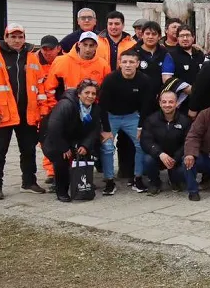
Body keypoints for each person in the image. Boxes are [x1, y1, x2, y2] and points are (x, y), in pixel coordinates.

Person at [0, 24, 47, 199]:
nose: (17, 40)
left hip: (27, 114)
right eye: (13, 36)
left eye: (20, 37)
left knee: (28, 150)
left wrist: (42, 110)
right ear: (5, 37)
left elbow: (40, 86)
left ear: (24, 38)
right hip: (1, 115)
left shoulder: (32, 57)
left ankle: (29, 182)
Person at [98, 50, 155, 195]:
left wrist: (141, 127)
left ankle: (138, 178)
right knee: (107, 146)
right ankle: (109, 180)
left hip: (132, 116)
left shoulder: (145, 80)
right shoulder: (110, 79)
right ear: (119, 63)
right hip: (111, 116)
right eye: (124, 62)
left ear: (137, 64)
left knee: (141, 143)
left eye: (131, 62)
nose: (128, 65)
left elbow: (146, 106)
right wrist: (105, 129)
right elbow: (102, 105)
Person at [42, 79, 102, 203]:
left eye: (93, 93)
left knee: (88, 152)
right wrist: (64, 147)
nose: (90, 96)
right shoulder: (66, 105)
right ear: (79, 94)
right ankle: (61, 191)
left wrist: (85, 146)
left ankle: (81, 183)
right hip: (54, 138)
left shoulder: (94, 108)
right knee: (61, 160)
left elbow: (94, 130)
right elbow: (54, 127)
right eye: (87, 93)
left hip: (75, 137)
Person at [140, 90, 191, 196]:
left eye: (171, 102)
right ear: (159, 103)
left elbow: (188, 142)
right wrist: (160, 154)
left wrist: (176, 157)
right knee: (147, 160)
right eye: (164, 102)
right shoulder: (151, 120)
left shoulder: (185, 121)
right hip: (158, 156)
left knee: (186, 163)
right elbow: (146, 141)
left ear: (177, 103)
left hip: (176, 158)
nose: (167, 105)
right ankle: (155, 182)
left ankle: (175, 180)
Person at [44, 31, 110, 110]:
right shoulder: (60, 61)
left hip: (91, 110)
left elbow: (105, 92)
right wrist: (56, 108)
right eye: (85, 45)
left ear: (96, 46)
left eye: (91, 45)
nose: (87, 49)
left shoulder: (103, 65)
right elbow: (49, 89)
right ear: (79, 44)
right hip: (66, 109)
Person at [161, 24, 205, 110]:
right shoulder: (171, 55)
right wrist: (188, 88)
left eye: (188, 35)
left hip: (201, 101)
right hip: (180, 103)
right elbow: (166, 78)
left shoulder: (201, 55)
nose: (185, 38)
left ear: (193, 37)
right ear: (177, 39)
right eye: (181, 36)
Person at [37, 35, 61, 185]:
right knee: (45, 141)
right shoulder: (34, 63)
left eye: (50, 49)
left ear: (58, 48)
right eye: (44, 49)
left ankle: (62, 168)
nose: (47, 52)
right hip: (41, 109)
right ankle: (51, 171)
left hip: (59, 107)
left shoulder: (63, 61)